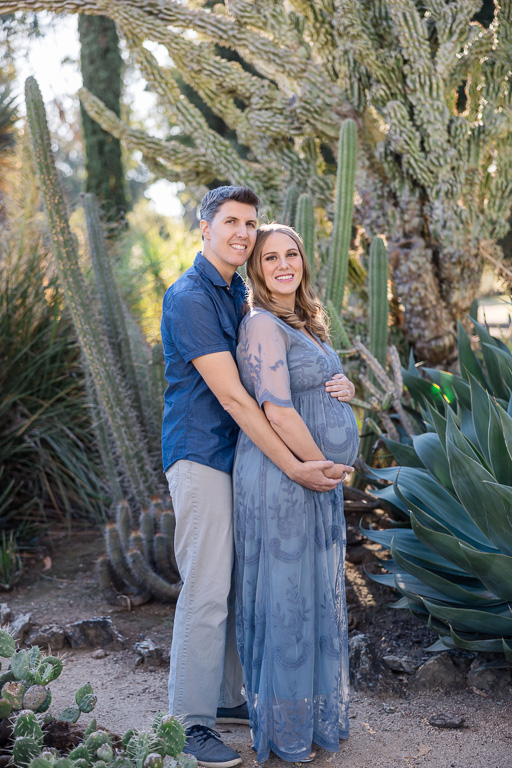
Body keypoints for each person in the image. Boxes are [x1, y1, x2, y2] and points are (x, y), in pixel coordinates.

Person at [161, 187, 355, 768]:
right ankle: (188, 725)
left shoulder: (237, 292)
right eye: (231, 223)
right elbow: (240, 400)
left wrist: (337, 387)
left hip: (240, 459)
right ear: (205, 228)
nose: (243, 233)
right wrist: (296, 465)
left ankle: (225, 700)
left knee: (233, 584)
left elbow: (283, 368)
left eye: (250, 223)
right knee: (205, 589)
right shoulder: (191, 296)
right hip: (201, 455)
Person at [233, 223, 360, 763]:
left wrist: (344, 385)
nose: (283, 265)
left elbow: (314, 385)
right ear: (256, 270)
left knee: (308, 596)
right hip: (284, 476)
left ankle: (305, 722)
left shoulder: (302, 321)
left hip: (311, 473)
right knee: (288, 599)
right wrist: (321, 464)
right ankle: (286, 733)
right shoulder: (261, 323)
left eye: (292, 254)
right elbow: (277, 409)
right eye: (269, 258)